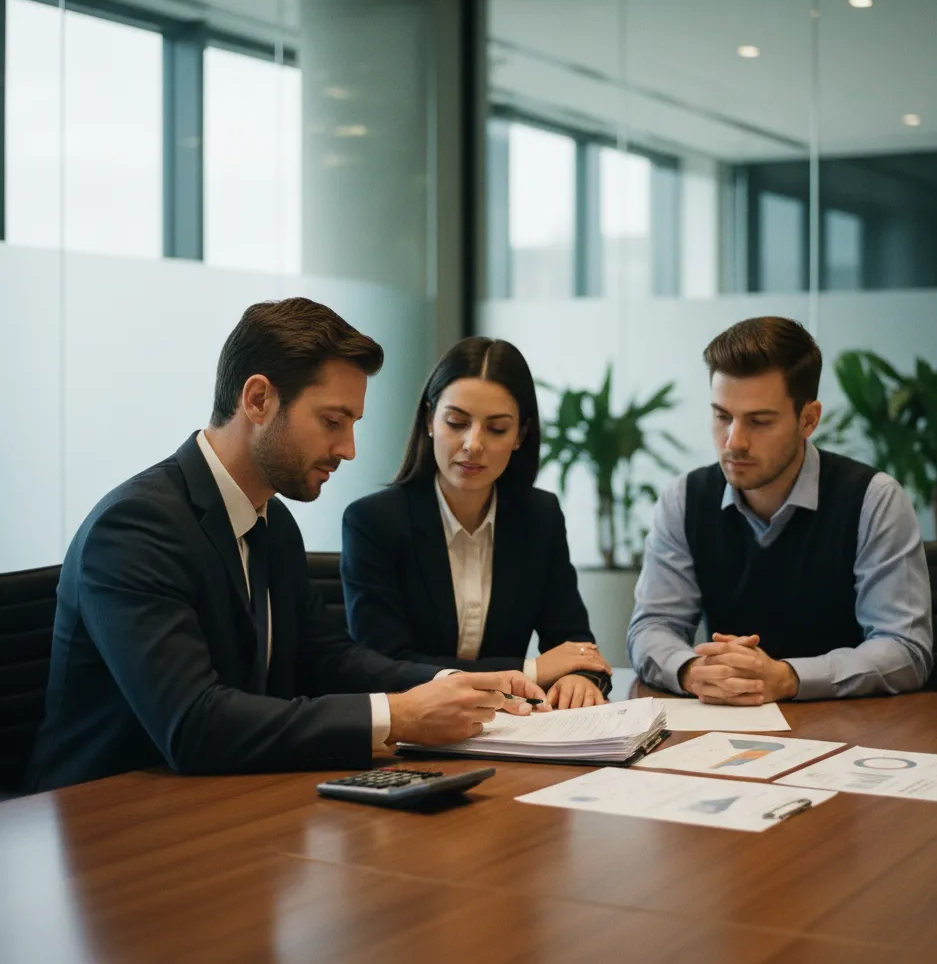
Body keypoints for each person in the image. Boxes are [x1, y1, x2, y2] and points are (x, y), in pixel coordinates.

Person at [26, 299, 547, 792]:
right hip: (106, 818)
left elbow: (328, 659)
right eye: (332, 421)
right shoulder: (135, 528)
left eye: (351, 425)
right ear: (258, 400)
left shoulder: (272, 523)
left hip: (225, 801)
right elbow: (193, 723)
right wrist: (400, 715)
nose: (348, 448)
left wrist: (455, 682)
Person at [627, 316, 933, 703]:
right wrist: (694, 672)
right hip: (727, 726)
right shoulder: (684, 499)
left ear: (809, 419)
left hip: (852, 725)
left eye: (759, 421)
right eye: (722, 416)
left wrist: (788, 677)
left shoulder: (873, 499)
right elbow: (652, 626)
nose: (734, 442)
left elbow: (906, 650)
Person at [342, 337, 612, 710]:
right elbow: (383, 665)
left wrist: (578, 678)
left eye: (497, 428)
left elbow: (574, 644)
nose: (473, 444)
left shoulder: (540, 517)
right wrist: (529, 670)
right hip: (412, 728)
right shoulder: (373, 522)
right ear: (429, 420)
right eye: (457, 422)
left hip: (512, 725)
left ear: (520, 435)